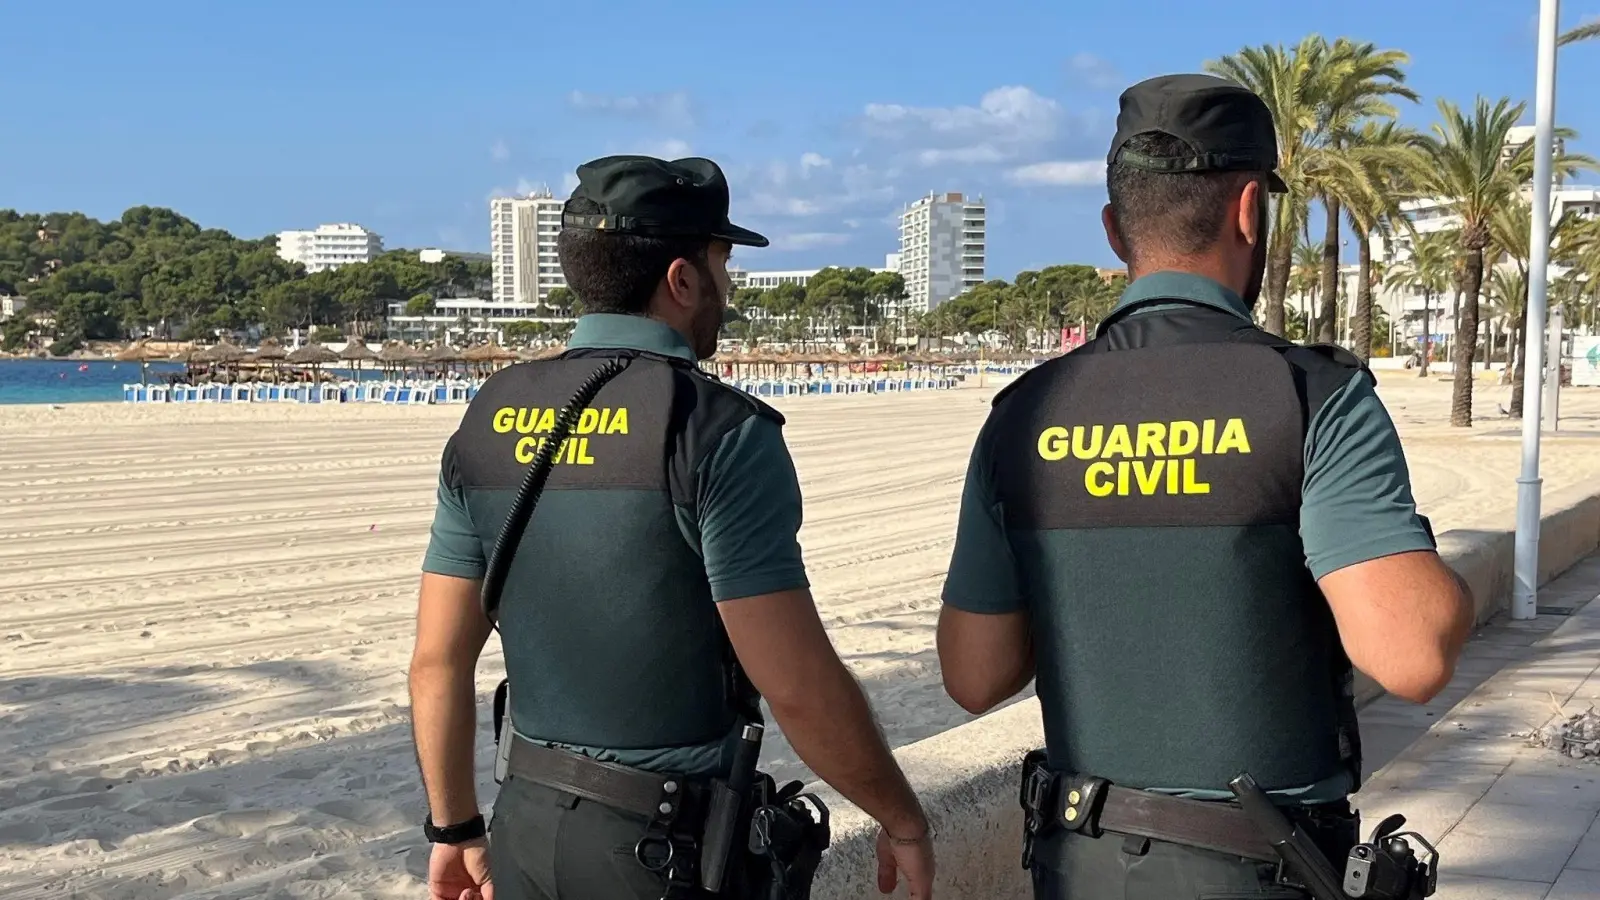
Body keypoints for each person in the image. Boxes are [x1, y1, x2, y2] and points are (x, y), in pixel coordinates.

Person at [934, 74, 1475, 900]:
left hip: (1079, 866)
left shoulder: (1022, 414)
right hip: (1262, 869)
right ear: (1251, 210)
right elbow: (1412, 654)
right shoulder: (1310, 397)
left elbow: (974, 676)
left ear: (1116, 231)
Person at [409, 154, 935, 900]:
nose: (729, 286)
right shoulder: (716, 429)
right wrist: (901, 817)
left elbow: (436, 663)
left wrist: (454, 828)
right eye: (723, 263)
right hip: (661, 850)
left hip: (525, 825)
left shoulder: (489, 416)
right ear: (682, 280)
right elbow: (794, 684)